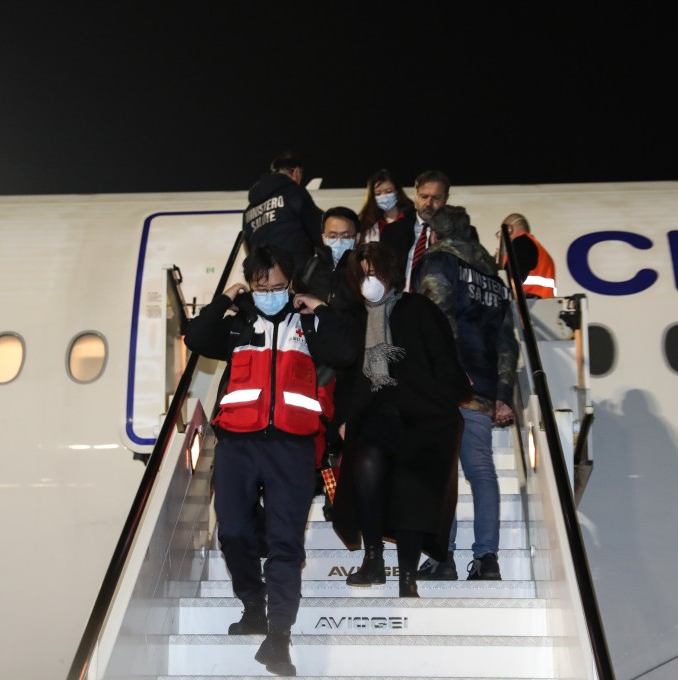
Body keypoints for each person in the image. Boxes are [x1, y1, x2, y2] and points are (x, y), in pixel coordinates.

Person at [183, 244, 357, 676]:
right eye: (260, 288)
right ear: (250, 287)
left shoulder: (308, 324)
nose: (269, 294)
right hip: (238, 444)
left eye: (277, 286)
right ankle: (252, 605)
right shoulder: (237, 325)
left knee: (285, 542)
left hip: (292, 447)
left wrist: (321, 308)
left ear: (291, 284)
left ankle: (279, 635)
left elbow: (346, 351)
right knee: (234, 531)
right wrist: (226, 297)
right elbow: (196, 338)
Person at [331, 242, 471, 598]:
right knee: (366, 474)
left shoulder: (418, 308)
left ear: (390, 272)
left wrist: (443, 402)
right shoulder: (355, 318)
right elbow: (346, 374)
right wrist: (344, 417)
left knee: (412, 494)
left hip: (421, 417)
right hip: (373, 414)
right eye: (363, 274)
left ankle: (407, 577)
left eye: (374, 272)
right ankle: (373, 559)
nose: (369, 280)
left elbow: (444, 363)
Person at [414, 206, 518, 581]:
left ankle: (442, 558)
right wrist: (502, 391)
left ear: (436, 234)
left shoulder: (439, 261)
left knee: (441, 475)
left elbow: (433, 319)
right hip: (483, 386)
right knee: (481, 471)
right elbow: (507, 342)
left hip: (446, 385)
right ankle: (487, 559)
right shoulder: (494, 278)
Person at [243, 152, 324, 278]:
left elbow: (248, 246)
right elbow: (318, 229)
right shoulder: (294, 193)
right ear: (297, 172)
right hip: (296, 274)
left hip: (265, 278)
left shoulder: (249, 210)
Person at [381, 170, 450, 291]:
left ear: (445, 199)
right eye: (424, 197)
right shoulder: (392, 231)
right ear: (416, 196)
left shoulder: (460, 233)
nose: (428, 203)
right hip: (400, 300)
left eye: (436, 198)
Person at [498, 213, 557, 298]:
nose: (501, 238)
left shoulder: (521, 243)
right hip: (544, 303)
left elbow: (508, 281)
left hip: (527, 303)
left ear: (509, 229)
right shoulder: (540, 251)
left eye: (501, 233)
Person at [356, 169, 414, 245]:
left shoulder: (411, 216)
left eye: (388, 191)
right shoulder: (367, 221)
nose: (384, 196)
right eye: (378, 193)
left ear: (397, 192)